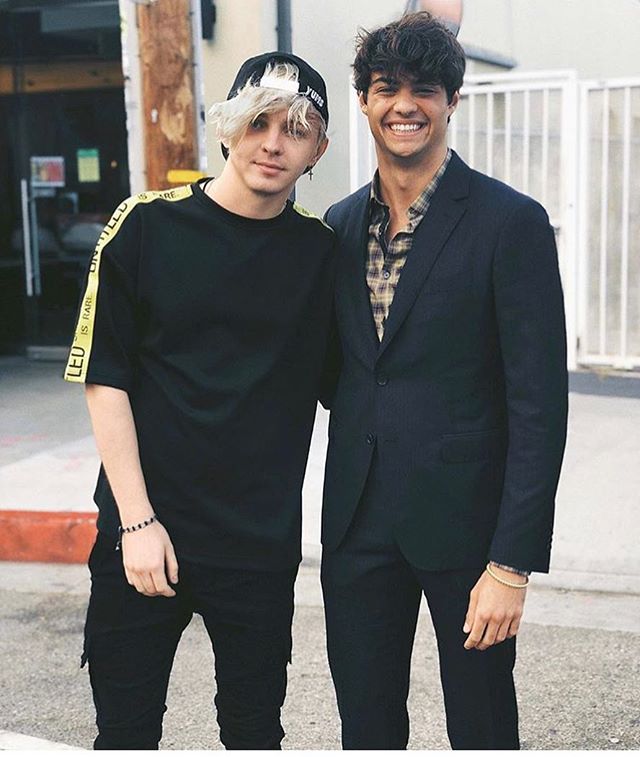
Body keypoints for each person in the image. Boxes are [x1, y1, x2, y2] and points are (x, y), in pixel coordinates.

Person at [63, 52, 333, 750]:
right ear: (228, 127)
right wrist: (137, 522)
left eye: (296, 129)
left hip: (257, 545)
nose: (272, 143)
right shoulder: (145, 225)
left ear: (318, 149)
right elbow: (105, 376)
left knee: (254, 731)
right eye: (258, 122)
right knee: (125, 734)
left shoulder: (321, 254)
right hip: (145, 531)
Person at [320, 12, 568, 750]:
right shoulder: (336, 227)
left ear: (452, 100)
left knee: (482, 726)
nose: (405, 104)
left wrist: (512, 563)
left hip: (469, 532)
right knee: (365, 727)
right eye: (386, 87)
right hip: (356, 524)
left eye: (425, 88)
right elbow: (338, 376)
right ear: (363, 100)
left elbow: (539, 406)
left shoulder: (510, 222)